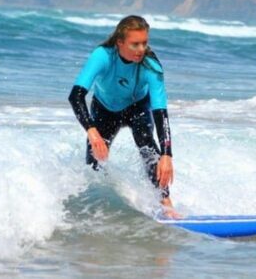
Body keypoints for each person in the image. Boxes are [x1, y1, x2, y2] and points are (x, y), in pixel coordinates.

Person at [68, 15, 178, 215]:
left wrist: (166, 154)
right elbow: (75, 96)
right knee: (94, 159)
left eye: (144, 43)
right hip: (105, 108)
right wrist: (92, 132)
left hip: (137, 107)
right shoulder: (102, 56)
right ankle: (95, 206)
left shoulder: (151, 66)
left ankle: (165, 202)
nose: (141, 49)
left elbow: (161, 113)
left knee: (148, 147)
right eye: (135, 44)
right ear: (120, 42)